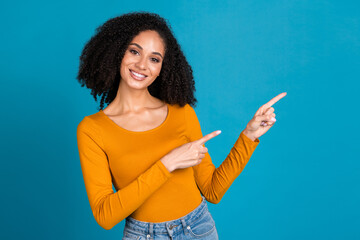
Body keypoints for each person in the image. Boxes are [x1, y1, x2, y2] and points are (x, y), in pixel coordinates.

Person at [76, 11, 287, 240]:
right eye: (134, 51)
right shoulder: (92, 129)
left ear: (162, 68)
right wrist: (168, 163)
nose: (142, 65)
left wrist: (249, 136)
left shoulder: (181, 112)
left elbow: (212, 190)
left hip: (198, 229)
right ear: (118, 52)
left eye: (154, 59)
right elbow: (105, 216)